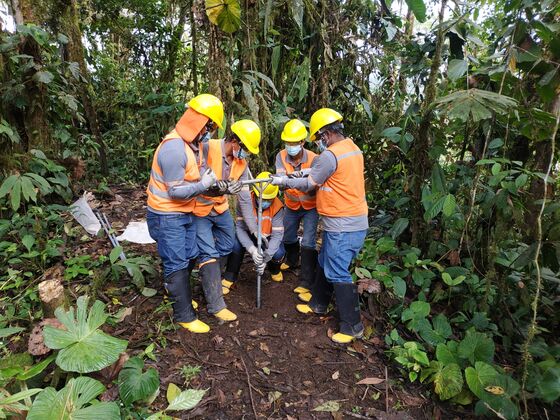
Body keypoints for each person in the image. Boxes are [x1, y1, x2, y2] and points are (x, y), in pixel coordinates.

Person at [271, 108, 368, 344]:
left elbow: (310, 182)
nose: (319, 142)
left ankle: (352, 326)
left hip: (342, 224)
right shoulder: (352, 149)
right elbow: (322, 172)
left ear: (325, 135)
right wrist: (297, 173)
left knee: (337, 270)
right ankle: (318, 304)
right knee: (325, 261)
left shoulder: (329, 155)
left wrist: (283, 181)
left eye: (318, 137)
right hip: (351, 221)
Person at [146, 93, 224, 334]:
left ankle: (180, 296)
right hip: (167, 215)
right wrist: (202, 186)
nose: (209, 132)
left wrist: (213, 183)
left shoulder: (192, 146)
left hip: (185, 212)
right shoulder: (173, 149)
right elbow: (175, 191)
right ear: (199, 122)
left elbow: (196, 173)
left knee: (190, 255)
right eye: (209, 127)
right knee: (177, 262)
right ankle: (183, 315)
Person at [194, 120, 261, 305]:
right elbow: (195, 178)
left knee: (229, 244)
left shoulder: (241, 164)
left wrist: (254, 230)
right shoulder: (208, 147)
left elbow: (245, 199)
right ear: (234, 141)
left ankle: (211, 273)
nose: (245, 153)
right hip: (200, 207)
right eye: (244, 148)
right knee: (207, 250)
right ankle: (211, 288)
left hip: (220, 208)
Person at [275, 119, 319, 298]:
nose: (290, 146)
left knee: (308, 241)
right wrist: (287, 181)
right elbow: (281, 182)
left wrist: (290, 180)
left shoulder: (315, 159)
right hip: (292, 205)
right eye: (288, 143)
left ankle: (306, 280)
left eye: (294, 143)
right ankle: (292, 260)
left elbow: (312, 184)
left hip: (310, 206)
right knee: (288, 235)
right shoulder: (281, 156)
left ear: (302, 142)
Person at [223, 171, 285, 286]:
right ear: (256, 194)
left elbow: (277, 236)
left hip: (268, 237)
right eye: (262, 199)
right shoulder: (245, 201)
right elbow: (240, 229)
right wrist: (252, 249)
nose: (265, 203)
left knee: (278, 253)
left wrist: (265, 258)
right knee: (235, 245)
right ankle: (230, 275)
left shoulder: (278, 207)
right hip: (249, 234)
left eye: (269, 200)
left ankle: (274, 269)